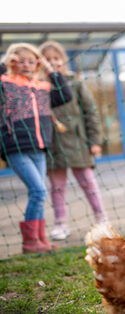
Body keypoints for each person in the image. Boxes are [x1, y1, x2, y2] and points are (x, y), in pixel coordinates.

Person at [0, 42, 73, 253]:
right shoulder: (6, 83)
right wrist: (5, 63)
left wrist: (49, 69)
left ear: (37, 64)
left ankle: (41, 241)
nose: (26, 65)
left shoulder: (41, 87)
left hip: (40, 147)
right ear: (13, 62)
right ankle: (30, 242)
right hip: (16, 147)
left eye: (31, 61)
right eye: (21, 61)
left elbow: (65, 94)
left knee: (39, 193)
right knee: (39, 191)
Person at [38, 41, 108, 241]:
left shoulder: (74, 82)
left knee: (88, 182)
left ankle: (101, 218)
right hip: (54, 143)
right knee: (57, 187)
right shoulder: (40, 86)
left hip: (79, 141)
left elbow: (90, 112)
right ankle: (60, 223)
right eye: (47, 59)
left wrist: (95, 140)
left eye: (56, 58)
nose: (52, 63)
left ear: (62, 60)